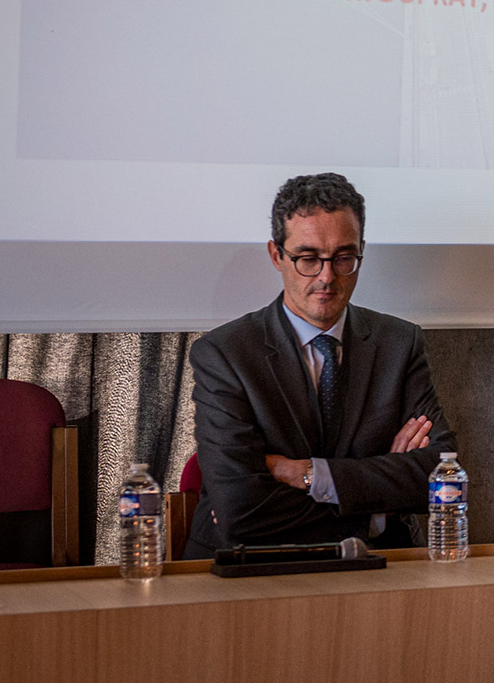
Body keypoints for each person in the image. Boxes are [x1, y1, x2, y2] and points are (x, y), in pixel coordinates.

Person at [185, 173, 456, 557]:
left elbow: (442, 475)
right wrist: (375, 513)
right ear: (276, 255)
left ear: (361, 252)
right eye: (308, 259)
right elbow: (241, 511)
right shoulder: (224, 354)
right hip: (248, 566)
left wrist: (307, 474)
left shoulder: (399, 343)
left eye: (344, 258)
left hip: (378, 569)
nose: (327, 277)